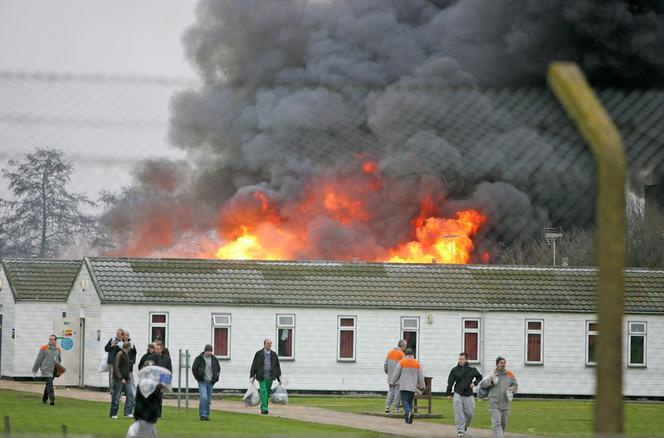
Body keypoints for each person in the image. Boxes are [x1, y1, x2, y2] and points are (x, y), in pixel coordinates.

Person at [446, 352, 483, 438]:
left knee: (470, 413)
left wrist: (475, 383)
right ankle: (460, 431)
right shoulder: (454, 370)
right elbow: (450, 382)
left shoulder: (472, 369)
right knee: (459, 414)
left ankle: (464, 427)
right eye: (459, 359)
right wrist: (448, 393)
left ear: (466, 360)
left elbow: (479, 377)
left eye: (462, 359)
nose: (460, 361)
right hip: (457, 394)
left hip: (468, 394)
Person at [480, 356, 518, 438]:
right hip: (494, 403)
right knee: (496, 424)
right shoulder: (492, 374)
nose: (503, 364)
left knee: (503, 424)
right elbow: (483, 384)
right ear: (497, 364)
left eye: (504, 363)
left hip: (505, 403)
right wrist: (491, 380)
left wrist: (512, 388)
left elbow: (515, 385)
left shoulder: (509, 374)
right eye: (501, 363)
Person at [127, 360, 162, 438]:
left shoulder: (149, 384)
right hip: (149, 417)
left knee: (131, 431)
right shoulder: (154, 384)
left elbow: (144, 399)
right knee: (152, 433)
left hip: (145, 417)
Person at [249, 339, 282, 415]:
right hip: (261, 376)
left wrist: (279, 378)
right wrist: (252, 376)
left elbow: (277, 367)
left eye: (270, 343)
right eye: (268, 343)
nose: (269, 345)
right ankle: (264, 409)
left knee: (266, 393)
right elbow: (254, 365)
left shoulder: (274, 354)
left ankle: (264, 406)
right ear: (264, 344)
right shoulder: (259, 354)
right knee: (263, 392)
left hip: (270, 377)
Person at [393, 348, 424, 424]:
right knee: (410, 401)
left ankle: (408, 412)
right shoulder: (417, 363)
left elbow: (397, 373)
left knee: (404, 401)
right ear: (412, 355)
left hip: (404, 385)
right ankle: (408, 419)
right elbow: (420, 375)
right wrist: (422, 385)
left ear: (405, 354)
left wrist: (393, 381)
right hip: (413, 387)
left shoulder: (402, 362)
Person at [192, 344, 221, 421]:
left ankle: (206, 415)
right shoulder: (199, 359)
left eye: (210, 351)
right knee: (203, 397)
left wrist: (216, 378)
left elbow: (218, 369)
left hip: (211, 382)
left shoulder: (214, 359)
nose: (209, 352)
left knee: (208, 400)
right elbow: (194, 369)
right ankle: (202, 414)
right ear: (204, 351)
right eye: (207, 351)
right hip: (202, 381)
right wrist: (198, 378)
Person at [32, 334, 61, 406]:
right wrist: (35, 369)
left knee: (48, 384)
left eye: (52, 339)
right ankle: (52, 400)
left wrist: (59, 369)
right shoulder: (44, 348)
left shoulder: (58, 349)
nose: (50, 340)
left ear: (55, 340)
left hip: (54, 370)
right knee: (50, 383)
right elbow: (38, 360)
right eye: (50, 339)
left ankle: (44, 398)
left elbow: (59, 360)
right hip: (46, 369)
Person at [111, 342, 135, 419]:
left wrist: (127, 377)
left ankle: (128, 412)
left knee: (130, 395)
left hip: (127, 378)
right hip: (118, 379)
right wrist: (121, 378)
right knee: (116, 396)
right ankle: (113, 414)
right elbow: (116, 367)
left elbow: (126, 367)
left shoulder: (127, 354)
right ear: (128, 347)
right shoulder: (120, 354)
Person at [384, 340, 406, 414]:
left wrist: (388, 372)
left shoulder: (390, 352)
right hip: (398, 377)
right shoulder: (402, 354)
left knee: (390, 391)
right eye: (405, 346)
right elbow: (404, 366)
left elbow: (385, 365)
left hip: (390, 376)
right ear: (402, 346)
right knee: (397, 392)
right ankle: (395, 408)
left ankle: (387, 406)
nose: (405, 348)